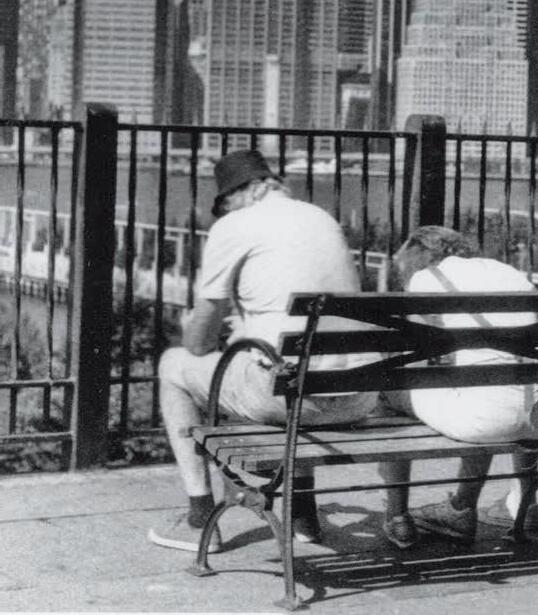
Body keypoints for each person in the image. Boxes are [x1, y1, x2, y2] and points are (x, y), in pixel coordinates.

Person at [148, 149, 379, 553]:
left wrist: (194, 328)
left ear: (245, 192)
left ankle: (199, 518)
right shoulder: (322, 218)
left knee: (173, 365)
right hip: (359, 396)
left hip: (291, 401)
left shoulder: (235, 225)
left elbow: (199, 343)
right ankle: (302, 514)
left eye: (224, 204)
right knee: (292, 365)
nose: (223, 213)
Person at [377, 226, 538, 549]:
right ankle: (521, 506)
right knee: (492, 387)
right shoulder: (507, 271)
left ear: (421, 253)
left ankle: (397, 516)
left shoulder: (428, 277)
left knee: (392, 390)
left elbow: (414, 351)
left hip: (485, 421)